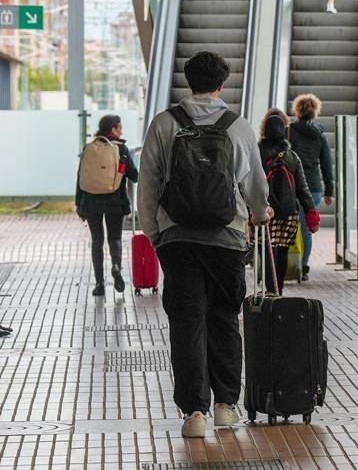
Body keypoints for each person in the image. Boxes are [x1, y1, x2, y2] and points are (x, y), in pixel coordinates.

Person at [137, 51, 271, 439]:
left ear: (188, 80)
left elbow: (147, 183)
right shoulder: (238, 126)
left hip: (177, 240)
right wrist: (260, 213)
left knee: (186, 323)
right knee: (225, 319)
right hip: (227, 240)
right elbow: (255, 185)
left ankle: (193, 412)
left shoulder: (164, 124)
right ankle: (226, 406)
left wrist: (155, 233)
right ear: (221, 85)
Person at [75, 114, 138, 297]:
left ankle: (99, 284)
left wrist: (79, 203)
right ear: (113, 129)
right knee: (115, 238)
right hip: (115, 202)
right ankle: (116, 266)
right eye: (120, 127)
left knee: (97, 241)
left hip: (91, 201)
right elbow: (134, 175)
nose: (122, 131)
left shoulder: (88, 148)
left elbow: (80, 178)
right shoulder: (121, 149)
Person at [259, 108, 318, 294]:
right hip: (288, 212)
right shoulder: (292, 157)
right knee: (282, 249)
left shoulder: (257, 153)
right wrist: (311, 212)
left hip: (265, 211)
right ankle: (279, 290)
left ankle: (270, 289)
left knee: (267, 250)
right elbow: (302, 188)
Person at [287, 94, 334, 280]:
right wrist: (329, 191)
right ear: (315, 111)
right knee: (307, 228)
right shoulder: (320, 136)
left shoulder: (289, 131)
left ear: (297, 110)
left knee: (289, 225)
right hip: (313, 187)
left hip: (291, 185)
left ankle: (289, 265)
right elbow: (326, 165)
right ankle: (303, 267)